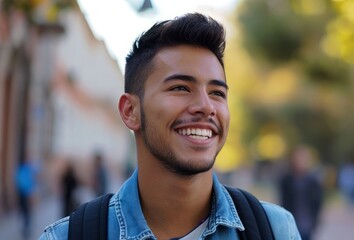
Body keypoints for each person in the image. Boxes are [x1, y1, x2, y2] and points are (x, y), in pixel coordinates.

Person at [41, 13, 300, 239]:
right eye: (180, 88)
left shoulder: (275, 230)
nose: (206, 106)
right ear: (131, 111)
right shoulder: (66, 237)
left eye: (217, 93)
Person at [279, 145, 323, 240]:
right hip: (291, 221)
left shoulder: (313, 181)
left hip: (307, 223)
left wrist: (315, 220)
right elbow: (283, 200)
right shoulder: (286, 180)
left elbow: (317, 202)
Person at [15, 160, 38, 239]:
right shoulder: (25, 170)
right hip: (25, 194)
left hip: (25, 194)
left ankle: (26, 227)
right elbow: (24, 182)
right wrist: (29, 193)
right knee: (26, 212)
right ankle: (26, 228)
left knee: (27, 212)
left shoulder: (26, 170)